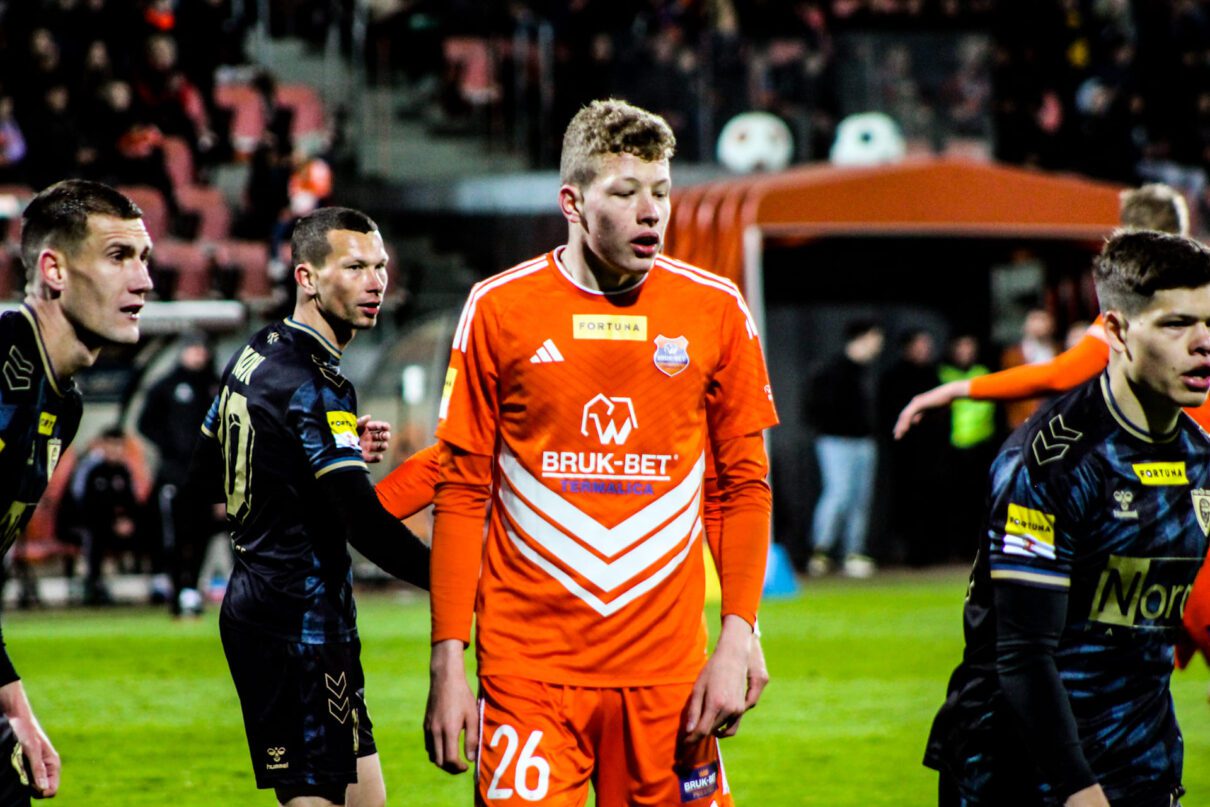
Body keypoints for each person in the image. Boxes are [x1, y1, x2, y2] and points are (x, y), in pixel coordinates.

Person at [423, 99, 778, 806]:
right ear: (573, 203)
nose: (651, 212)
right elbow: (461, 493)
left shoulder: (715, 309)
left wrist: (740, 634)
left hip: (669, 677)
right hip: (528, 673)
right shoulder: (499, 308)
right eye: (625, 192)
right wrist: (447, 662)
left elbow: (742, 488)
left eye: (661, 192)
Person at [924, 230, 1210, 805]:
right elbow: (1023, 654)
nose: (1203, 343)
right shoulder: (1051, 464)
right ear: (1117, 332)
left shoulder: (1198, 458)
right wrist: (1078, 789)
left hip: (1142, 762)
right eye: (1177, 324)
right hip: (1020, 772)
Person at [893, 183, 1210, 669]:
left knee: (1127, 637)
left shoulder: (1142, 313)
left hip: (1180, 487)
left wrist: (957, 390)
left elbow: (1060, 374)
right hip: (1179, 481)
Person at [191, 206, 430, 807]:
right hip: (294, 626)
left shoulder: (258, 350)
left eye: (380, 266)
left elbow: (204, 473)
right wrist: (454, 581)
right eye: (354, 267)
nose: (375, 282)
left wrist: (330, 453)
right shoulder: (314, 384)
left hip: (280, 611)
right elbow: (365, 525)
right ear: (307, 277)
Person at [0, 178, 154, 802]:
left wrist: (16, 709)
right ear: (54, 271)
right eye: (119, 256)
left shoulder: (61, 402)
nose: (143, 280)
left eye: (144, 258)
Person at [137, 330, 223, 615]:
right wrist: (172, 447)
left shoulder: (215, 386)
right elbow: (145, 423)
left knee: (203, 534)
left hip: (206, 477)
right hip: (174, 475)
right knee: (175, 534)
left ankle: (192, 588)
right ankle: (177, 590)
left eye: (202, 349)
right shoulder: (166, 385)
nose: (199, 355)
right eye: (194, 349)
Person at [804, 319, 883, 577]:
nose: (879, 344)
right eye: (875, 337)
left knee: (860, 500)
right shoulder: (833, 370)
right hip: (837, 441)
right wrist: (836, 428)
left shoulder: (865, 371)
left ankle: (853, 553)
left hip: (863, 442)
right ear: (863, 337)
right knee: (838, 494)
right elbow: (816, 407)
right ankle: (820, 551)